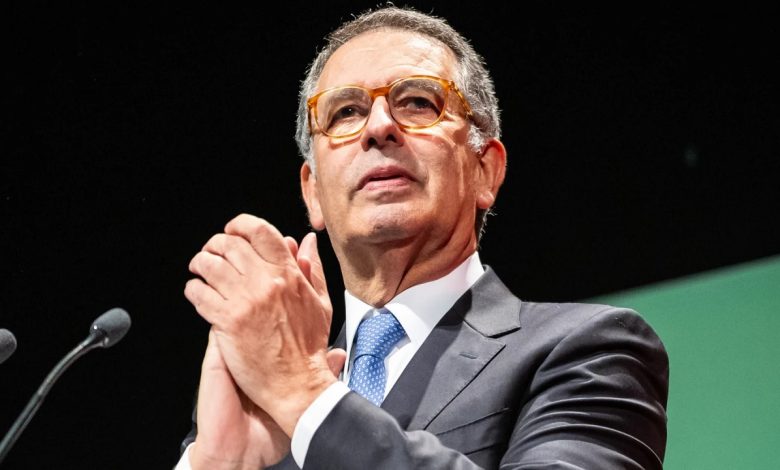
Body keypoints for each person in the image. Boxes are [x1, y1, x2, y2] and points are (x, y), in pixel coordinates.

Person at [175, 4, 669, 469]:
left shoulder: (590, 351)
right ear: (313, 194)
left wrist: (304, 394)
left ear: (485, 171)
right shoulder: (257, 404)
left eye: (417, 102)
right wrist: (215, 462)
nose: (378, 127)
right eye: (345, 113)